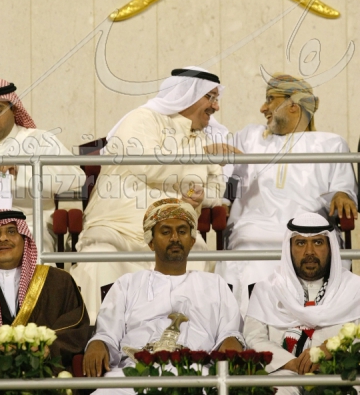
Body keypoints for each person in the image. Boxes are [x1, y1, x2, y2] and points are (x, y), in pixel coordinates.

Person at [71, 67, 230, 321]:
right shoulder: (143, 119)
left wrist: (200, 196)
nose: (216, 106)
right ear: (187, 95)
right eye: (210, 97)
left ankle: (186, 338)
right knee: (99, 259)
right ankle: (100, 336)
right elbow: (149, 166)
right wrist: (202, 157)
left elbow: (215, 188)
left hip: (172, 231)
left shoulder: (201, 139)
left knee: (200, 256)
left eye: (216, 98)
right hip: (119, 229)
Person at [215, 73, 357, 315]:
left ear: (293, 105)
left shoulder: (331, 143)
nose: (263, 108)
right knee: (249, 247)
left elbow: (343, 187)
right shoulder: (249, 137)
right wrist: (223, 199)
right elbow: (232, 179)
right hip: (253, 228)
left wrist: (342, 195)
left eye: (270, 99)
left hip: (307, 229)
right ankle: (251, 326)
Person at [83, 198, 244, 394]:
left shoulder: (214, 284)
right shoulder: (127, 284)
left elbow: (230, 331)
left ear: (192, 241)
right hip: (134, 372)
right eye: (166, 232)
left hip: (195, 373)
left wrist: (231, 340)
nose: (175, 238)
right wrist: (98, 343)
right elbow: (107, 332)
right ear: (151, 242)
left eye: (182, 231)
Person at [0, 78, 86, 269]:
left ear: (13, 109)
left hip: (28, 226)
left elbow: (76, 177)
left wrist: (24, 172)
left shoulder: (40, 140)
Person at [243, 212, 360, 395]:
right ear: (289, 248)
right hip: (284, 373)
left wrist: (332, 351)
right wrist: (291, 363)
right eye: (300, 243)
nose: (309, 252)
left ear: (330, 247)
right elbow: (253, 338)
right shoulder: (267, 289)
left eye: (318, 242)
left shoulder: (354, 288)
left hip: (337, 372)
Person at [0, 209, 90, 368]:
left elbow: (75, 327)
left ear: (25, 240)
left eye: (11, 231)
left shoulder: (58, 280)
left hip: (40, 371)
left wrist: (46, 348)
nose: (3, 238)